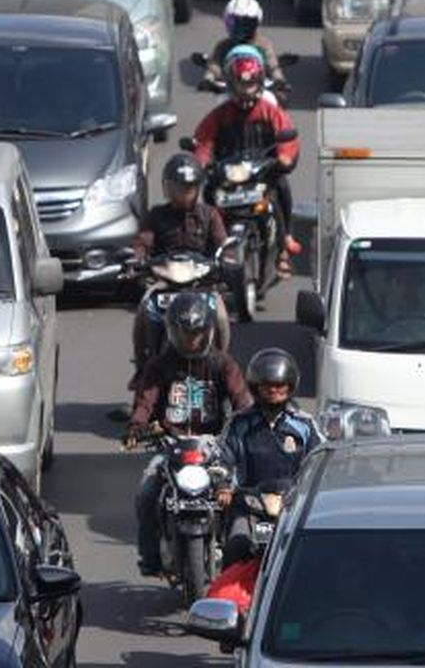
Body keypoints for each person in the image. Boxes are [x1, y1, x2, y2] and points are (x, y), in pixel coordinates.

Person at [124, 293, 252, 576]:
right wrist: (136, 427)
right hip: (171, 445)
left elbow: (242, 399)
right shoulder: (159, 366)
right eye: (185, 334)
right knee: (146, 494)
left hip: (214, 446)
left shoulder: (223, 364)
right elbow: (145, 402)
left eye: (196, 334)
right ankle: (150, 556)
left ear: (208, 331)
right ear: (172, 332)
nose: (191, 340)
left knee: (238, 496)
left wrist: (248, 425)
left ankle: (241, 558)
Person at [193, 46, 302, 277]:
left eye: (251, 84)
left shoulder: (269, 111)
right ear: (232, 83)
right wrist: (202, 162)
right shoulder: (220, 114)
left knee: (281, 187)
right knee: (208, 195)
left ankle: (284, 243)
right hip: (228, 175)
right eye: (242, 84)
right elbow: (204, 140)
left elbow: (287, 134)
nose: (246, 90)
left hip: (262, 173)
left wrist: (283, 157)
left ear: (260, 81)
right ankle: (209, 244)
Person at [130, 154, 231, 385]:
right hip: (164, 280)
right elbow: (142, 243)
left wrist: (226, 260)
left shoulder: (210, 214)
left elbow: (224, 246)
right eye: (177, 188)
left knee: (222, 315)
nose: (182, 193)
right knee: (144, 309)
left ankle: (222, 364)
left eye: (188, 188)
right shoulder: (156, 215)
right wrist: (138, 260)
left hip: (202, 283)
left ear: (197, 189)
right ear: (167, 188)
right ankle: (141, 367)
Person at [217, 348, 322, 567]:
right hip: (249, 505)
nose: (274, 390)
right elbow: (223, 457)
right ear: (256, 387)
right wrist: (223, 484)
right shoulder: (239, 424)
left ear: (290, 387)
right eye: (267, 386)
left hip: (294, 504)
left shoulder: (305, 424)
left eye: (280, 385)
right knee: (237, 544)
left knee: (316, 551)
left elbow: (321, 460)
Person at [201, 0, 288, 92]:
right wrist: (208, 80)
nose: (240, 28)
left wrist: (279, 80)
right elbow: (215, 66)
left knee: (279, 100)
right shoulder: (223, 45)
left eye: (246, 24)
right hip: (231, 90)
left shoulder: (264, 44)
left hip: (258, 89)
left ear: (256, 23)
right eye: (234, 22)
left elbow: (272, 65)